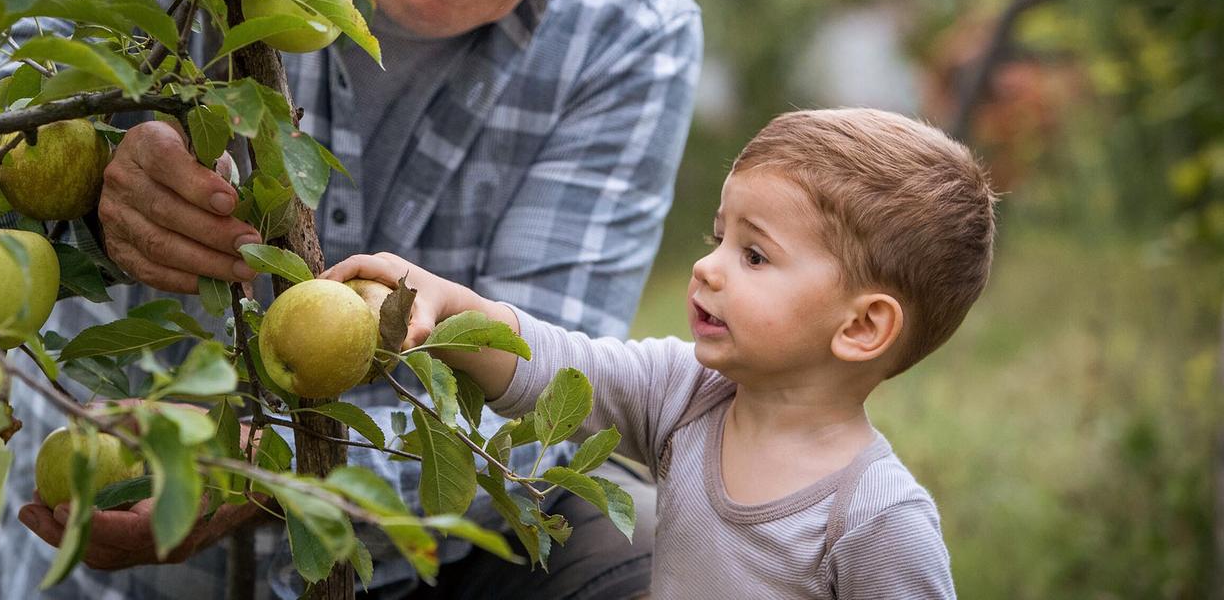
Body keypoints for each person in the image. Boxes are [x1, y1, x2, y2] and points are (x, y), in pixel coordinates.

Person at [0, 0, 702, 597]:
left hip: (420, 567)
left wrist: (267, 467)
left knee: (660, 556)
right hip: (111, 558)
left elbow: (551, 402)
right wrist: (89, 184)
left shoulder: (632, 25)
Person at [324, 108, 997, 599]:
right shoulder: (688, 392)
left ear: (861, 327)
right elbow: (558, 366)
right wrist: (450, 307)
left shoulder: (876, 519)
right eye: (718, 236)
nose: (708, 268)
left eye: (754, 254)